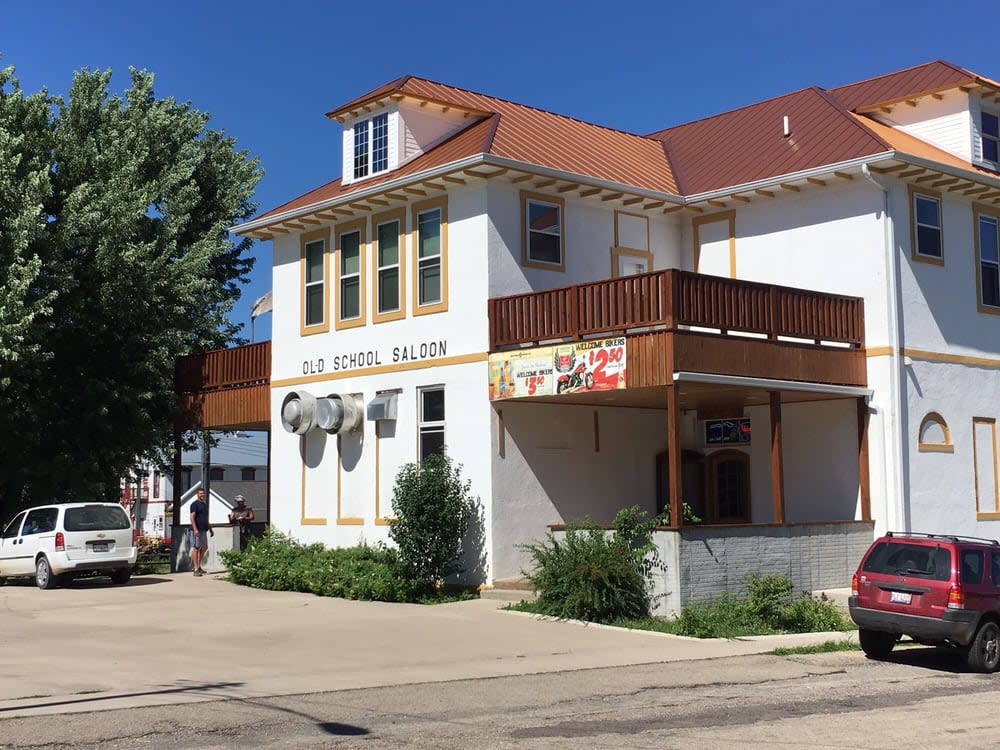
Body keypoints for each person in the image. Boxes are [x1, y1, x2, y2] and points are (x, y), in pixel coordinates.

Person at [189, 488, 213, 576]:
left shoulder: (204, 505)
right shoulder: (194, 504)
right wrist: (195, 529)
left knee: (205, 547)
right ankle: (195, 569)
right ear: (197, 494)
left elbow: (205, 518)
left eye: (203, 493)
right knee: (196, 548)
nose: (202, 495)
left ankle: (198, 566)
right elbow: (192, 517)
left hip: (203, 529)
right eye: (200, 493)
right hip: (196, 529)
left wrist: (210, 529)